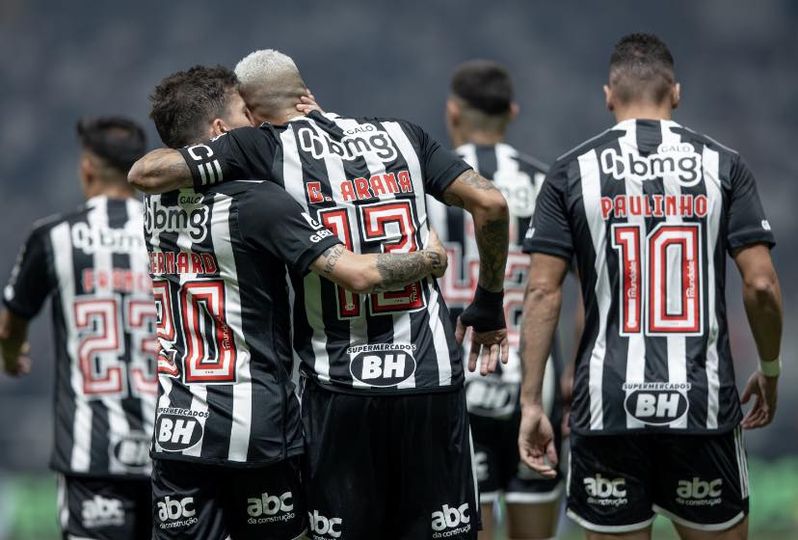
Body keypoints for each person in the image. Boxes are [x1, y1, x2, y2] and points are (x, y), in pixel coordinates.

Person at [130, 49, 512, 540]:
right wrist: (486, 299)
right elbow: (491, 202)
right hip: (429, 377)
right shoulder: (406, 135)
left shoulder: (261, 148)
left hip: (337, 389)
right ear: (303, 94)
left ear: (254, 112)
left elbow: (148, 173)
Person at [518, 33, 782, 540]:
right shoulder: (724, 165)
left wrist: (533, 403)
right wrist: (769, 370)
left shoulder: (571, 172)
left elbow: (543, 293)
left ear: (608, 95)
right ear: (676, 93)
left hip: (608, 403)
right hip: (702, 405)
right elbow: (763, 284)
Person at [427, 59, 564, 539]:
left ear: (453, 112)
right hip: (535, 376)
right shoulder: (548, 183)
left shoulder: (427, 184)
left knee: (466, 522)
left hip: (453, 377)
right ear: (512, 111)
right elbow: (575, 282)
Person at [0, 117, 154, 540]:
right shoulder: (169, 234)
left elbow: (11, 324)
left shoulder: (54, 236)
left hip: (92, 457)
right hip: (174, 449)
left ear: (86, 167)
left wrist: (12, 358)